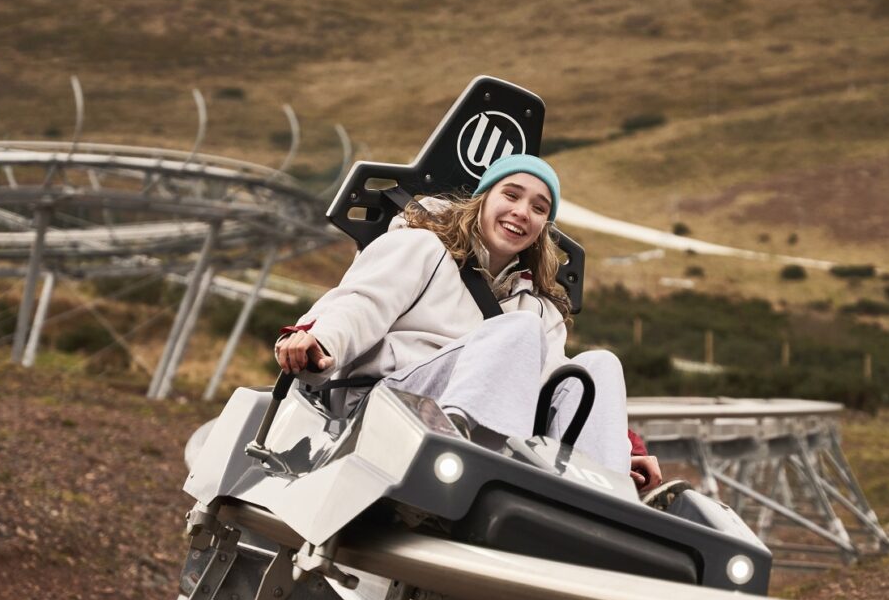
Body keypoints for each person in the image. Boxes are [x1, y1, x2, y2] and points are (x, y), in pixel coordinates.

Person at [274, 154, 659, 487]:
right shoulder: (420, 247)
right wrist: (319, 339)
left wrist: (624, 450)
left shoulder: (541, 310)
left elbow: (556, 387)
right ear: (482, 199)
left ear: (544, 227)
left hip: (497, 431)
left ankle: (603, 493)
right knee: (517, 330)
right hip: (388, 409)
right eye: (511, 195)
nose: (522, 212)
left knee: (600, 364)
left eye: (539, 208)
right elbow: (360, 303)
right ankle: (467, 461)